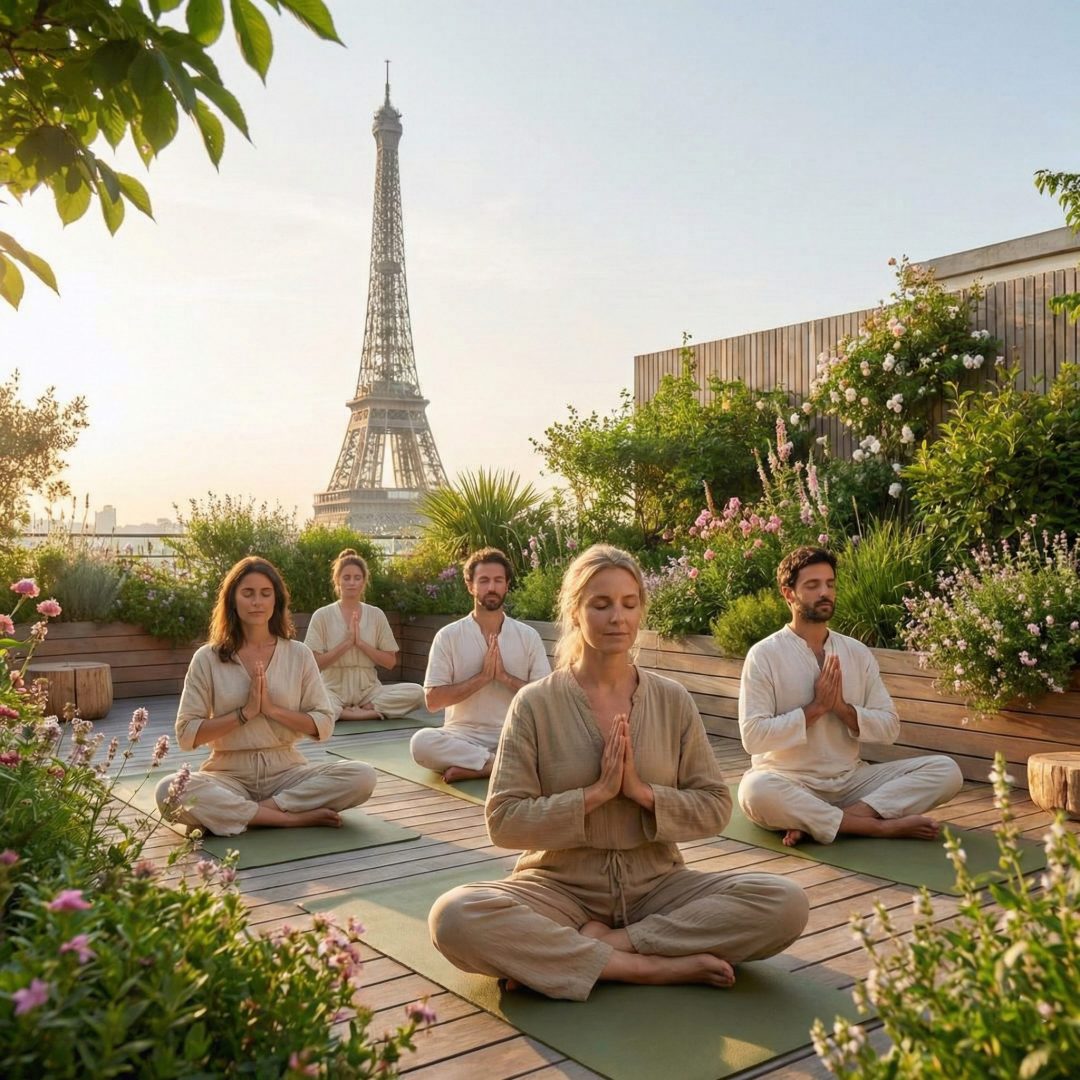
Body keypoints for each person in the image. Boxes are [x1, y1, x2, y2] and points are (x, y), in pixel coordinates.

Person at [428, 544, 808, 1001]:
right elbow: (504, 821)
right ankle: (639, 968)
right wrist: (594, 795)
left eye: (629, 604)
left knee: (786, 904)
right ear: (575, 610)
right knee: (454, 916)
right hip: (558, 887)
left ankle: (607, 948)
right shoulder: (535, 703)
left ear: (641, 609)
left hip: (658, 885)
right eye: (601, 604)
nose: (617, 618)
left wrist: (643, 793)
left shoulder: (672, 700)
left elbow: (714, 808)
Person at [737, 546, 963, 846]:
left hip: (851, 780)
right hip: (789, 780)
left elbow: (889, 727)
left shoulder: (856, 652)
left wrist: (842, 709)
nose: (825, 592)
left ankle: (836, 818)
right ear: (788, 594)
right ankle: (875, 827)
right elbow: (752, 737)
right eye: (813, 585)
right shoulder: (764, 655)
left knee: (947, 771)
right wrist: (816, 709)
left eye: (830, 584)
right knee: (755, 791)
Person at [156, 556, 376, 836]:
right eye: (248, 593)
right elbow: (186, 734)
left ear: (276, 601)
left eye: (265, 593)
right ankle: (288, 818)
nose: (257, 602)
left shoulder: (299, 654)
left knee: (363, 776)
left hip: (287, 773)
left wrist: (271, 710)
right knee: (169, 791)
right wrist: (244, 714)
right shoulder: (208, 658)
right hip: (227, 775)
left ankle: (251, 812)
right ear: (232, 600)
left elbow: (323, 725)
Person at [412, 547, 550, 782]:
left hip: (513, 733)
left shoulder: (527, 636)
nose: (492, 587)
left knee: (561, 743)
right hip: (462, 737)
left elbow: (545, 699)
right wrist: (482, 678)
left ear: (507, 585)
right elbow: (433, 701)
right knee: (421, 743)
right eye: (484, 581)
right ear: (470, 586)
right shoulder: (449, 636)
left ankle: (483, 766)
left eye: (498, 580)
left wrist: (504, 677)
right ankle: (500, 764)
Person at [305, 548, 426, 721]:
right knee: (309, 699)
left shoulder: (376, 614)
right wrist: (346, 644)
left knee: (418, 692)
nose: (352, 583)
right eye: (346, 578)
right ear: (337, 580)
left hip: (369, 691)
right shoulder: (322, 615)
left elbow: (390, 661)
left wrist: (361, 643)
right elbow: (314, 664)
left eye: (357, 578)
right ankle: (361, 713)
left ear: (364, 582)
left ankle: (354, 711)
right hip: (332, 689)